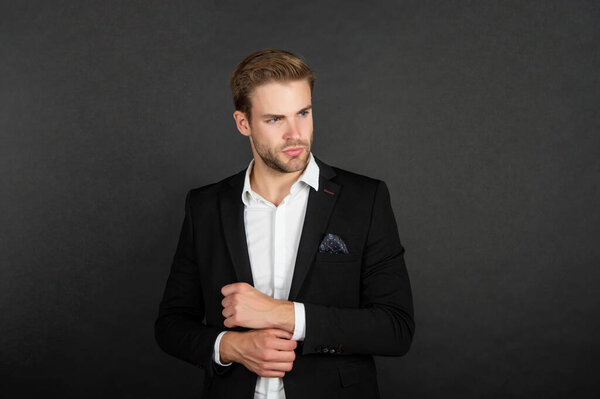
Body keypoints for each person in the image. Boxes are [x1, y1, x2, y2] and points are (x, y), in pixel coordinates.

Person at [155, 48, 415, 399]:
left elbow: (395, 329)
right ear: (243, 123)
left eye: (303, 113)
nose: (296, 134)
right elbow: (171, 325)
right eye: (275, 119)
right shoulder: (205, 206)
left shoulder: (365, 199)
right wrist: (230, 347)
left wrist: (284, 314)